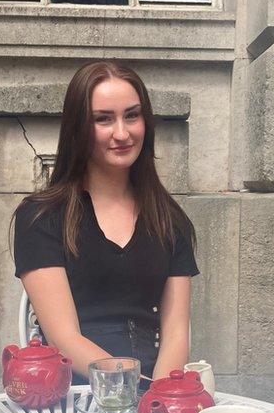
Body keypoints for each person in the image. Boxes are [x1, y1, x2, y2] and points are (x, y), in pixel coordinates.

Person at [13, 61, 198, 389]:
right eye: (103, 119)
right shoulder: (41, 216)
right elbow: (63, 337)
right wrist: (130, 389)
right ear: (78, 128)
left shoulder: (170, 220)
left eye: (132, 115)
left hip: (153, 388)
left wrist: (157, 398)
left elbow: (176, 335)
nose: (123, 133)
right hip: (75, 393)